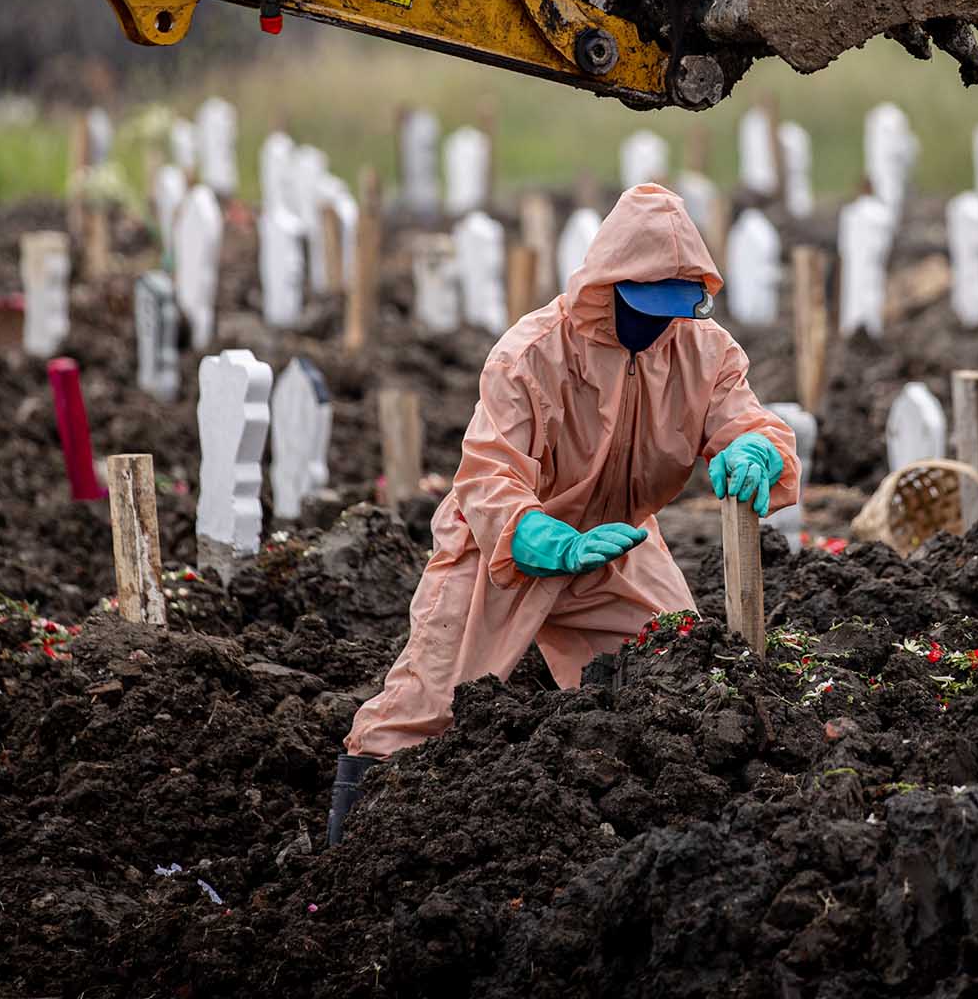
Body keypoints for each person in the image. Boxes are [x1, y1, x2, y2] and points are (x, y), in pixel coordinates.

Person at [328, 184, 797, 845]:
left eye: (673, 307)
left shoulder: (705, 351)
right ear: (606, 286)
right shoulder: (531, 354)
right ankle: (344, 852)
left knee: (678, 676)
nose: (659, 324)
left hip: (618, 541)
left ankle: (653, 836)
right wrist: (536, 535)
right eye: (644, 305)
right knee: (428, 704)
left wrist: (755, 449)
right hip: (503, 544)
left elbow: (744, 419)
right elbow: (489, 472)